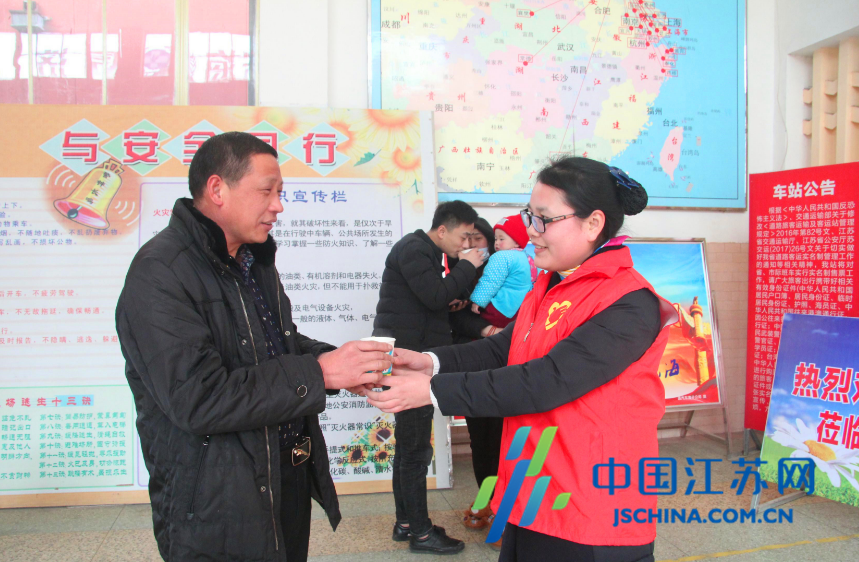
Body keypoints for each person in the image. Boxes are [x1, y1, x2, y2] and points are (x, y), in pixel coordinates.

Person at [362, 157, 678, 562]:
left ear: (593, 223)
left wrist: (431, 391)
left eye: (545, 218)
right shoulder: (550, 284)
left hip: (589, 506)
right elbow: (503, 348)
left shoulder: (628, 302)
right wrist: (429, 362)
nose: (531, 230)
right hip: (533, 490)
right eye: (531, 215)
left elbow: (545, 380)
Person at [115, 132, 392, 562]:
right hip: (216, 501)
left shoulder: (252, 260)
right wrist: (321, 373)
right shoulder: (160, 273)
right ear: (217, 189)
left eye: (281, 192)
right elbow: (198, 399)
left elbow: (278, 344)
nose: (278, 206)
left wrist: (340, 362)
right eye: (267, 191)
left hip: (282, 477)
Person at [372, 200, 485, 554]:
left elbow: (429, 300)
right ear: (442, 230)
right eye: (463, 237)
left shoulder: (425, 252)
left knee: (409, 447)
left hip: (410, 357)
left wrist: (451, 295)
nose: (465, 245)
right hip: (407, 361)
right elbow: (435, 295)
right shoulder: (414, 249)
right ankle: (420, 533)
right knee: (415, 450)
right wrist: (467, 266)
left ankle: (406, 523)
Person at [470, 214, 538, 332]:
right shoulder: (527, 257)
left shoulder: (501, 256)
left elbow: (490, 281)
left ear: (516, 241)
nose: (496, 243)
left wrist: (478, 300)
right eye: (496, 239)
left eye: (501, 239)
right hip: (521, 308)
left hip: (502, 308)